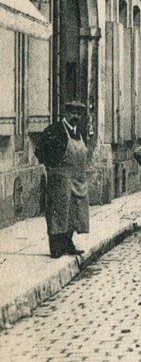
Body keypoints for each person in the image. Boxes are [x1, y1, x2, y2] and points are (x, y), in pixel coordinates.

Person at [36, 101, 90, 258]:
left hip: (77, 179)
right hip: (60, 179)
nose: (75, 116)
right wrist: (52, 168)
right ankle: (56, 247)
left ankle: (68, 243)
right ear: (65, 113)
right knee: (58, 212)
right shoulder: (56, 130)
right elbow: (40, 151)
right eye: (72, 113)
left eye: (78, 114)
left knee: (74, 212)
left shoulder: (78, 132)